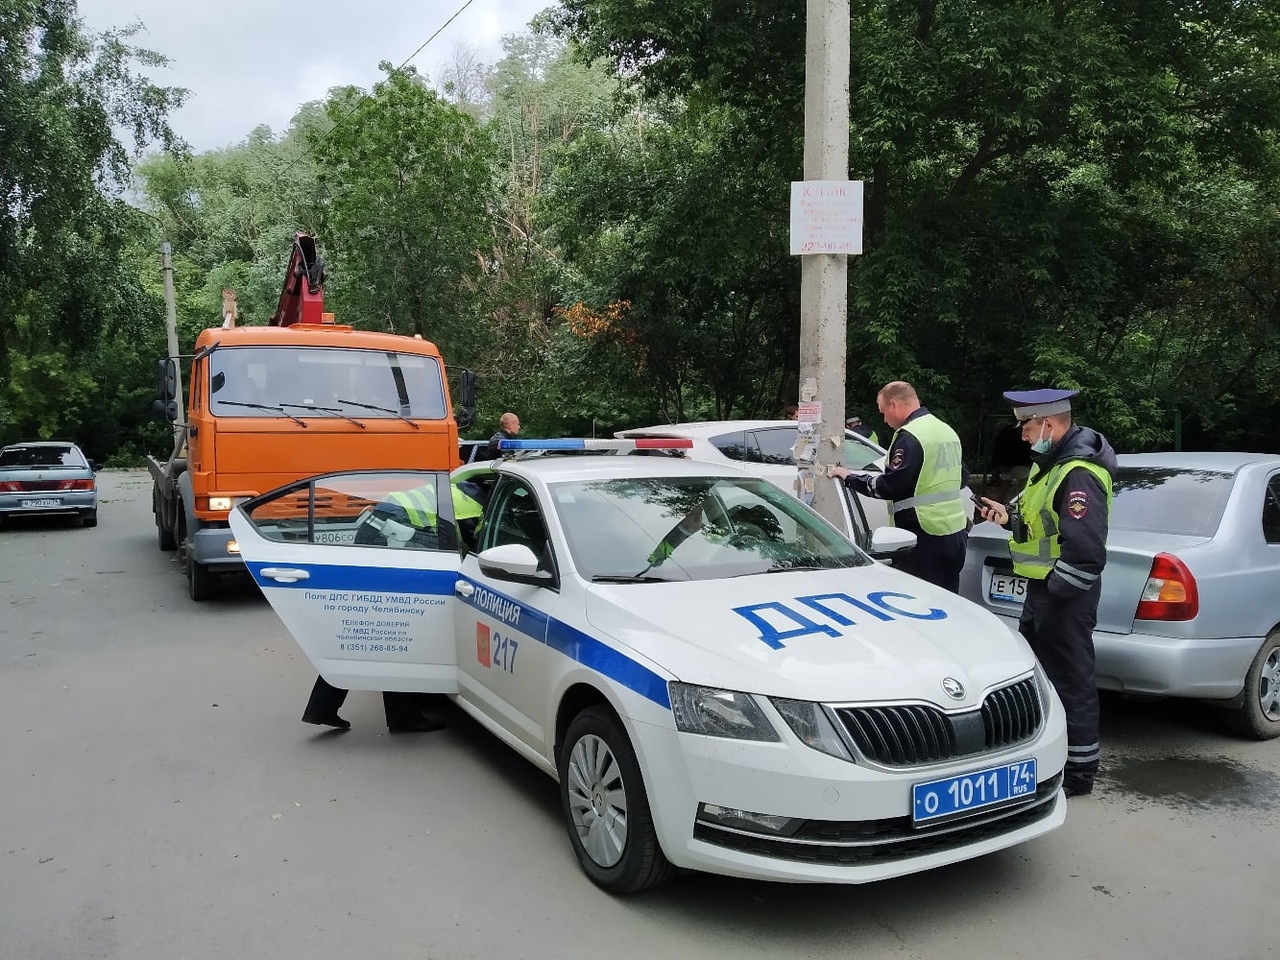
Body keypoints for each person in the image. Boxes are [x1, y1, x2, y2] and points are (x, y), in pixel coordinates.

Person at [975, 388, 1117, 798]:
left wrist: (1054, 593)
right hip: (1045, 591)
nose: (1022, 436)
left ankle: (1077, 772)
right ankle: (1049, 758)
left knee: (1070, 680)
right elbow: (1043, 529)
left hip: (1064, 595)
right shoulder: (1049, 464)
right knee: (1045, 680)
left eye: (1026, 427)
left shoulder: (1077, 473)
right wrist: (1007, 520)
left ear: (1049, 425)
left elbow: (1086, 553)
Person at [301, 476, 487, 732]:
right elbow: (477, 549)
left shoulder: (458, 490)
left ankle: (321, 707)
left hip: (377, 535)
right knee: (399, 634)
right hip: (392, 541)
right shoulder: (475, 507)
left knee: (375, 632)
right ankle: (403, 717)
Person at [830, 381, 969, 592]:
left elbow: (891, 486)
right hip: (955, 533)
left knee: (920, 602)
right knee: (948, 602)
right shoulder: (945, 430)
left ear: (893, 404)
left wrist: (850, 477)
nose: (884, 420)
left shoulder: (910, 436)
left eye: (883, 412)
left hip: (924, 533)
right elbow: (963, 477)